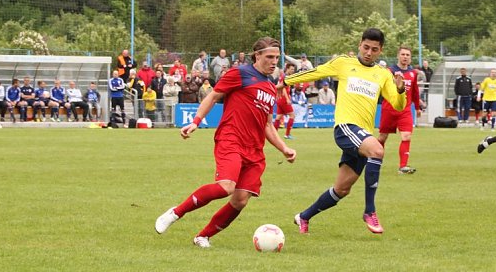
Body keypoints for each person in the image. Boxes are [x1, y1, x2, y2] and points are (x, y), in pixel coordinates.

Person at [154, 37, 296, 248]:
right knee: (226, 187)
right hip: (231, 139)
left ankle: (203, 236)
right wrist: (195, 122)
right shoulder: (240, 73)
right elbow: (212, 97)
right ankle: (175, 213)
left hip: (255, 150)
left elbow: (267, 125)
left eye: (276, 57)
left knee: (240, 200)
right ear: (257, 56)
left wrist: (284, 148)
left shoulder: (269, 86)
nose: (274, 61)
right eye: (269, 57)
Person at [284, 28, 406, 235]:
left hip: (362, 136)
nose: (368, 52)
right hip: (345, 128)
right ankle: (370, 211)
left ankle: (303, 216)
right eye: (366, 47)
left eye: (374, 49)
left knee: (341, 189)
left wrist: (401, 90)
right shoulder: (344, 63)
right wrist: (284, 82)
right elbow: (315, 73)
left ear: (380, 51)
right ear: (360, 44)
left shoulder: (384, 75)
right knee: (377, 150)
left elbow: (398, 104)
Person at [378, 45, 426, 174]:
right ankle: (375, 161)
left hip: (405, 111)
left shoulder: (413, 74)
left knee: (406, 136)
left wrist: (417, 107)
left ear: (410, 58)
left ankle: (403, 167)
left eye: (408, 55)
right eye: (403, 54)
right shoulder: (389, 71)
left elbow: (415, 92)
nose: (405, 57)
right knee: (382, 137)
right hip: (389, 109)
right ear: (398, 56)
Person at [273, 63, 297, 139]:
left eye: (293, 69)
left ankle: (274, 135)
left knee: (278, 117)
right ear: (287, 68)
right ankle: (287, 134)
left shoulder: (283, 76)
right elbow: (283, 88)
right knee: (292, 115)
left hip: (279, 99)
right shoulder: (285, 77)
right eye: (291, 69)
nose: (293, 71)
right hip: (283, 99)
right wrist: (287, 98)